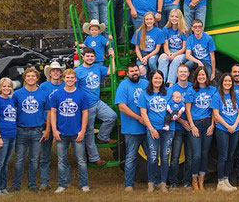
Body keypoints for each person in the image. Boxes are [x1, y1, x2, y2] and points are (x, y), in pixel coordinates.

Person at [50, 69, 90, 193]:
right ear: (63, 79)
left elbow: (85, 113)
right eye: (67, 78)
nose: (70, 80)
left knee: (81, 160)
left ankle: (84, 184)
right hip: (61, 133)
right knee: (62, 160)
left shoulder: (81, 94)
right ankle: (62, 184)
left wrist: (82, 130)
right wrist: (54, 130)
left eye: (72, 78)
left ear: (75, 79)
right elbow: (53, 112)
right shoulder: (57, 94)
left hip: (77, 132)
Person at [75, 47, 117, 166]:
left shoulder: (97, 67)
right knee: (88, 132)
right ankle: (94, 158)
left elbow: (111, 71)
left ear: (95, 57)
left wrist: (112, 57)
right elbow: (75, 90)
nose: (90, 58)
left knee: (112, 116)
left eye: (92, 56)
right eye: (87, 56)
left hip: (97, 102)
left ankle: (102, 136)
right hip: (86, 106)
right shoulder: (78, 71)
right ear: (83, 57)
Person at [114, 63, 151, 191]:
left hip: (147, 129)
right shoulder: (123, 86)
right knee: (131, 157)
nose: (134, 73)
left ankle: (154, 182)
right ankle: (129, 185)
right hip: (131, 129)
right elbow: (122, 107)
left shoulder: (146, 84)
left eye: (136, 70)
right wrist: (139, 118)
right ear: (127, 73)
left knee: (152, 156)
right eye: (131, 71)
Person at [11, 67, 48, 192]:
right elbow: (12, 112)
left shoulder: (43, 94)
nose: (31, 78)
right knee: (19, 160)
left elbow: (48, 112)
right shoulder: (17, 94)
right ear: (24, 78)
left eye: (33, 76)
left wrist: (47, 129)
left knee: (34, 160)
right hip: (21, 130)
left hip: (37, 131)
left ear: (37, 78)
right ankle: (16, 185)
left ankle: (32, 184)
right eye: (28, 76)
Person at [139, 70, 175, 193]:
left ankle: (163, 183)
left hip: (168, 130)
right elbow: (143, 113)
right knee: (153, 157)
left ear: (163, 80)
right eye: (155, 78)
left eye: (160, 78)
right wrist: (152, 129)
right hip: (152, 129)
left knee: (165, 157)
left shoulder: (169, 93)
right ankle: (151, 183)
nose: (158, 81)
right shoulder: (145, 94)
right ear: (151, 80)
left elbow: (174, 108)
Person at [185, 67, 217, 190]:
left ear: (207, 76)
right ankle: (194, 179)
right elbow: (188, 109)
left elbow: (215, 109)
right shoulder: (191, 90)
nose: (201, 77)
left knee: (204, 154)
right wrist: (192, 126)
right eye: (199, 75)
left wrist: (212, 125)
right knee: (197, 155)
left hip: (208, 123)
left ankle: (201, 180)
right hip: (196, 124)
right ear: (196, 77)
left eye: (203, 75)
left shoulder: (212, 90)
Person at [211, 73, 239, 192]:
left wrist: (234, 125)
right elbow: (216, 115)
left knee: (231, 155)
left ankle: (226, 180)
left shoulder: (235, 95)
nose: (227, 83)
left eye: (229, 81)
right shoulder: (217, 96)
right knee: (223, 155)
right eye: (225, 81)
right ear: (221, 82)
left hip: (234, 129)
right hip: (222, 129)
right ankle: (220, 182)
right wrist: (227, 126)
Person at [38, 61, 65, 191]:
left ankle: (65, 182)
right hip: (47, 124)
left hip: (63, 124)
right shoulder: (43, 87)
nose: (55, 72)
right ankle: (44, 182)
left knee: (63, 156)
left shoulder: (66, 85)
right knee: (45, 155)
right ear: (49, 73)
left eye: (58, 70)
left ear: (61, 73)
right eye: (53, 70)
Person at [167, 64, 194, 189]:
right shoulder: (171, 90)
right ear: (176, 74)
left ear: (188, 74)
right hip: (177, 128)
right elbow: (169, 111)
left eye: (185, 72)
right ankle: (173, 182)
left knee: (189, 156)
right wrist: (183, 122)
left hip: (191, 128)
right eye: (180, 72)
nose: (183, 74)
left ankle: (187, 181)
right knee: (175, 156)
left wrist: (191, 124)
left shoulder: (193, 87)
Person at [0, 77, 16, 196]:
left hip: (12, 135)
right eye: (4, 86)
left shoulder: (11, 101)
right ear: (0, 88)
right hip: (2, 136)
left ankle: (3, 187)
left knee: (6, 163)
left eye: (9, 86)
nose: (6, 88)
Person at [158, 9, 188, 85]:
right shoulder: (165, 29)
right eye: (172, 16)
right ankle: (161, 83)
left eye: (176, 17)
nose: (174, 18)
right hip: (169, 51)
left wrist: (174, 55)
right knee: (162, 58)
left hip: (181, 54)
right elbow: (166, 47)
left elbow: (184, 49)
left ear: (180, 18)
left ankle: (171, 84)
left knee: (176, 61)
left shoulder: (184, 30)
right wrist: (169, 54)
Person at [132, 12, 165, 78]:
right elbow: (137, 49)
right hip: (141, 55)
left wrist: (147, 57)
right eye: (147, 19)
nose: (149, 21)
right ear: (144, 21)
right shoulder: (139, 32)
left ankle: (156, 78)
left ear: (154, 20)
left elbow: (157, 49)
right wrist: (141, 59)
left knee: (151, 62)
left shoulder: (159, 32)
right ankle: (145, 84)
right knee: (141, 69)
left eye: (151, 19)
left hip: (152, 54)